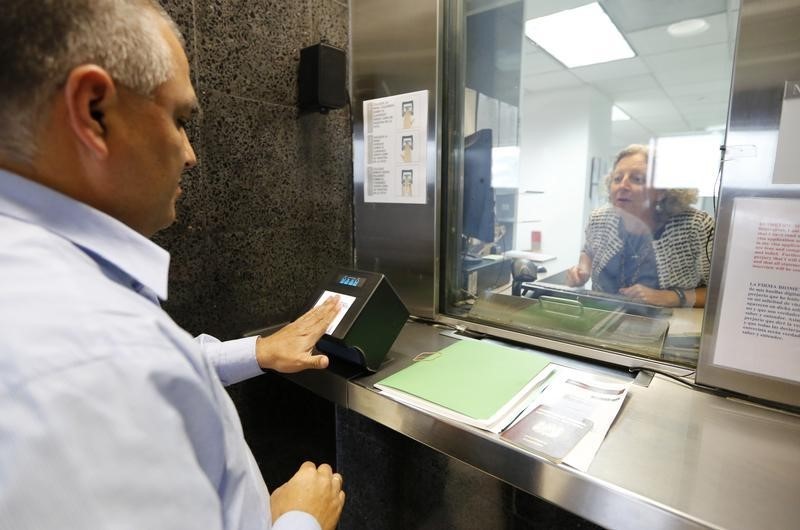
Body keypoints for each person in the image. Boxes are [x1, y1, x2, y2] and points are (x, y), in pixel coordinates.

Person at [0, 1, 345, 529]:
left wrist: (257, 351)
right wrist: (299, 520)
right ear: (94, 110)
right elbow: (126, 369)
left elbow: (162, 371)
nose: (190, 154)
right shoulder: (97, 356)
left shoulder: (36, 272)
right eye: (180, 120)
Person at [566, 144, 714, 308]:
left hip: (668, 326)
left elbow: (721, 292)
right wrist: (583, 269)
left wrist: (672, 297)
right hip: (602, 318)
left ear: (661, 191)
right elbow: (589, 250)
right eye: (617, 178)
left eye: (637, 179)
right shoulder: (600, 218)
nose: (622, 185)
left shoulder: (695, 227)